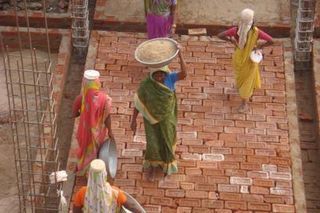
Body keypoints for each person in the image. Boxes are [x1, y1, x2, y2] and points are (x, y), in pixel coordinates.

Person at [130, 44, 187, 181]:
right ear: (152, 74)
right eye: (157, 75)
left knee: (167, 139)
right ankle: (154, 164)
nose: (160, 77)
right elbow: (139, 103)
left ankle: (168, 164)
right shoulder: (146, 85)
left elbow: (184, 74)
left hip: (167, 117)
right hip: (151, 119)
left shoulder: (170, 78)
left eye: (162, 74)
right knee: (153, 141)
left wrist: (180, 55)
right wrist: (133, 120)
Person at [217, 8, 273, 113]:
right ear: (252, 22)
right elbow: (271, 40)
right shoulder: (257, 32)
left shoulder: (235, 30)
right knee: (247, 80)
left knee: (240, 77)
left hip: (238, 58)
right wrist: (260, 46)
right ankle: (244, 104)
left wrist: (231, 41)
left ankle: (242, 90)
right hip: (250, 60)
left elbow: (220, 35)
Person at [72, 70, 114, 175]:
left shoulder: (80, 98)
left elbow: (74, 114)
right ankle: (94, 171)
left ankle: (83, 168)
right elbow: (107, 117)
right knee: (95, 151)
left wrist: (85, 112)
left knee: (85, 151)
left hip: (84, 132)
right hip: (97, 133)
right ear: (97, 82)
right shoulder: (105, 99)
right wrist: (110, 131)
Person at [73, 159, 140, 213]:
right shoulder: (115, 193)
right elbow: (131, 206)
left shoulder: (82, 193)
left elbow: (76, 211)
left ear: (90, 175)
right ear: (105, 175)